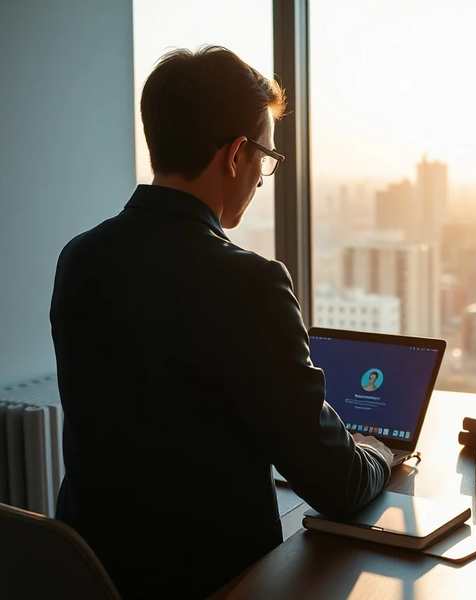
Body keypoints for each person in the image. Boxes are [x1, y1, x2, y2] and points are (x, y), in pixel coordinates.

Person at [50, 46, 393, 599]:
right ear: (237, 155)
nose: (262, 179)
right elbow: (338, 481)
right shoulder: (248, 283)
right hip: (217, 583)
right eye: (267, 159)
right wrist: (377, 450)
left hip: (92, 573)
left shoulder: (80, 258)